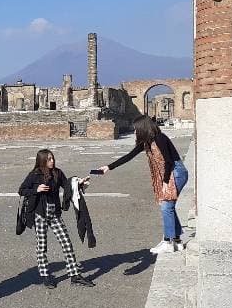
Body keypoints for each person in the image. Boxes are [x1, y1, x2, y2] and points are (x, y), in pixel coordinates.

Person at [91, 115, 189, 254]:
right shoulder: (146, 142)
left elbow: (168, 161)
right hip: (169, 173)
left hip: (176, 172)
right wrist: (109, 167)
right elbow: (129, 156)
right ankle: (177, 241)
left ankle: (168, 242)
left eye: (136, 129)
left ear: (143, 128)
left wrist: (166, 181)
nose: (135, 132)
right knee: (168, 205)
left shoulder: (160, 138)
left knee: (166, 205)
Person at [18, 149, 94, 288]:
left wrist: (79, 183)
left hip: (54, 214)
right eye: (48, 159)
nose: (52, 161)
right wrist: (37, 190)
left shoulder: (57, 173)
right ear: (42, 161)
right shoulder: (34, 175)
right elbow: (22, 190)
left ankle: (74, 275)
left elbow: (67, 186)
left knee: (66, 243)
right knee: (42, 246)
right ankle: (45, 276)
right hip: (39, 215)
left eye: (52, 158)